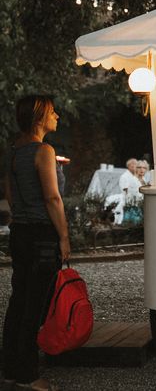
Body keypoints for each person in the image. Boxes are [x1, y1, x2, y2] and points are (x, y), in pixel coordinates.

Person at [2, 95, 69, 391]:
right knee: (35, 306)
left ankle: (10, 370)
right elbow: (52, 198)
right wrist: (64, 236)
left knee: (18, 302)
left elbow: (12, 197)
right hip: (42, 234)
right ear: (40, 118)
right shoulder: (44, 151)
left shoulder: (11, 152)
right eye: (53, 112)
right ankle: (29, 375)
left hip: (20, 232)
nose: (57, 116)